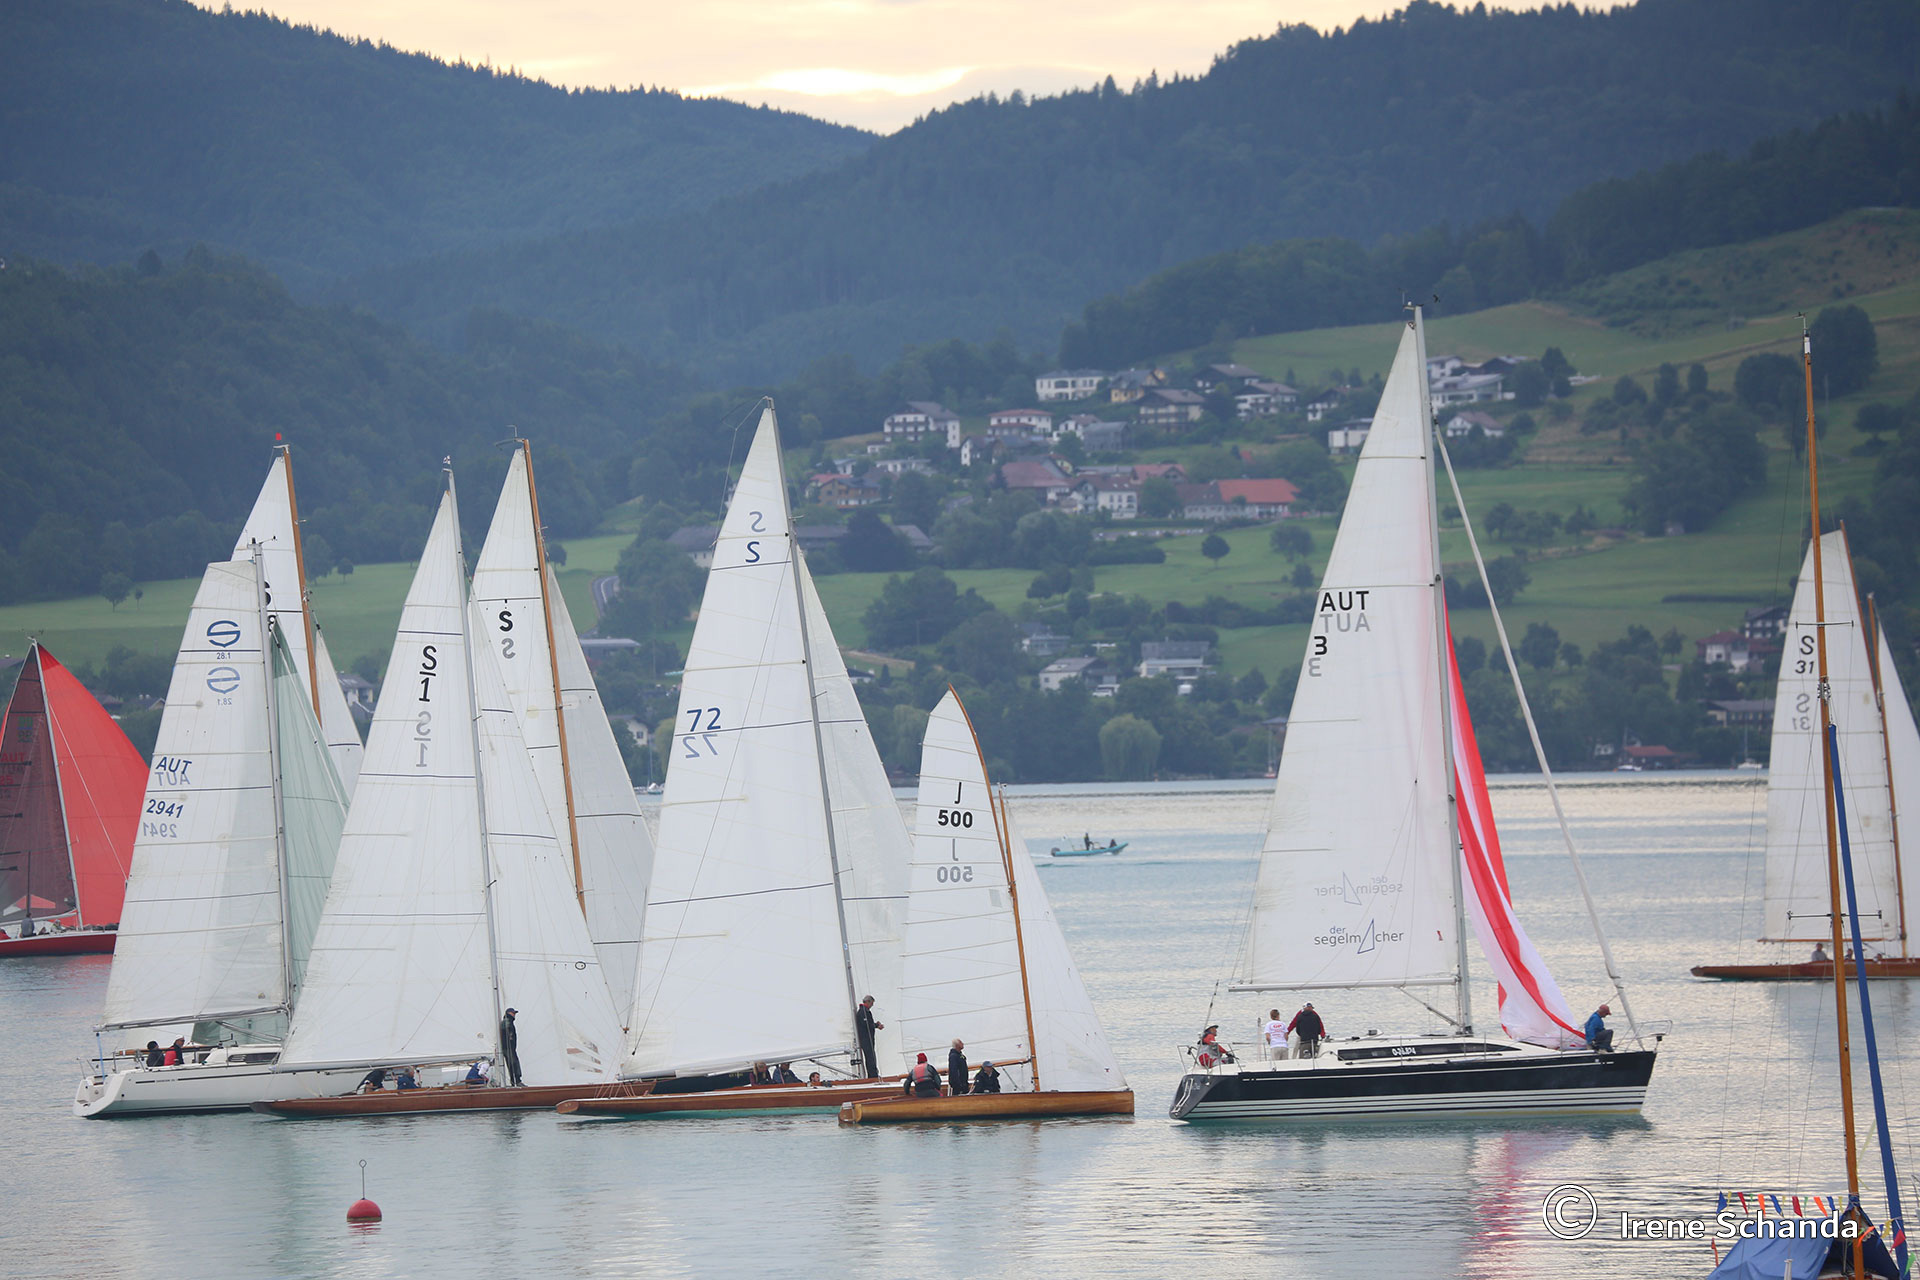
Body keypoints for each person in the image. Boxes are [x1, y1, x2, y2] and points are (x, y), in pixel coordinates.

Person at [854, 995, 883, 1078]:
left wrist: (876, 1024)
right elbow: (866, 1024)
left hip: (868, 1039)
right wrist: (876, 1025)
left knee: (871, 1056)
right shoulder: (863, 1012)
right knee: (870, 1057)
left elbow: (868, 1024)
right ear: (867, 1002)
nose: (872, 1005)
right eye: (872, 1003)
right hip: (866, 1039)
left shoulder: (865, 1011)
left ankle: (873, 1074)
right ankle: (873, 1075)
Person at [499, 1007, 523, 1087]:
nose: (514, 1014)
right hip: (508, 1048)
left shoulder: (508, 1021)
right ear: (509, 1013)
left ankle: (514, 1081)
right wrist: (510, 1037)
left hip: (509, 1048)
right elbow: (507, 1030)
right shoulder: (507, 1021)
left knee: (512, 1064)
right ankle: (517, 1081)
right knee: (513, 1063)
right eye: (513, 1013)